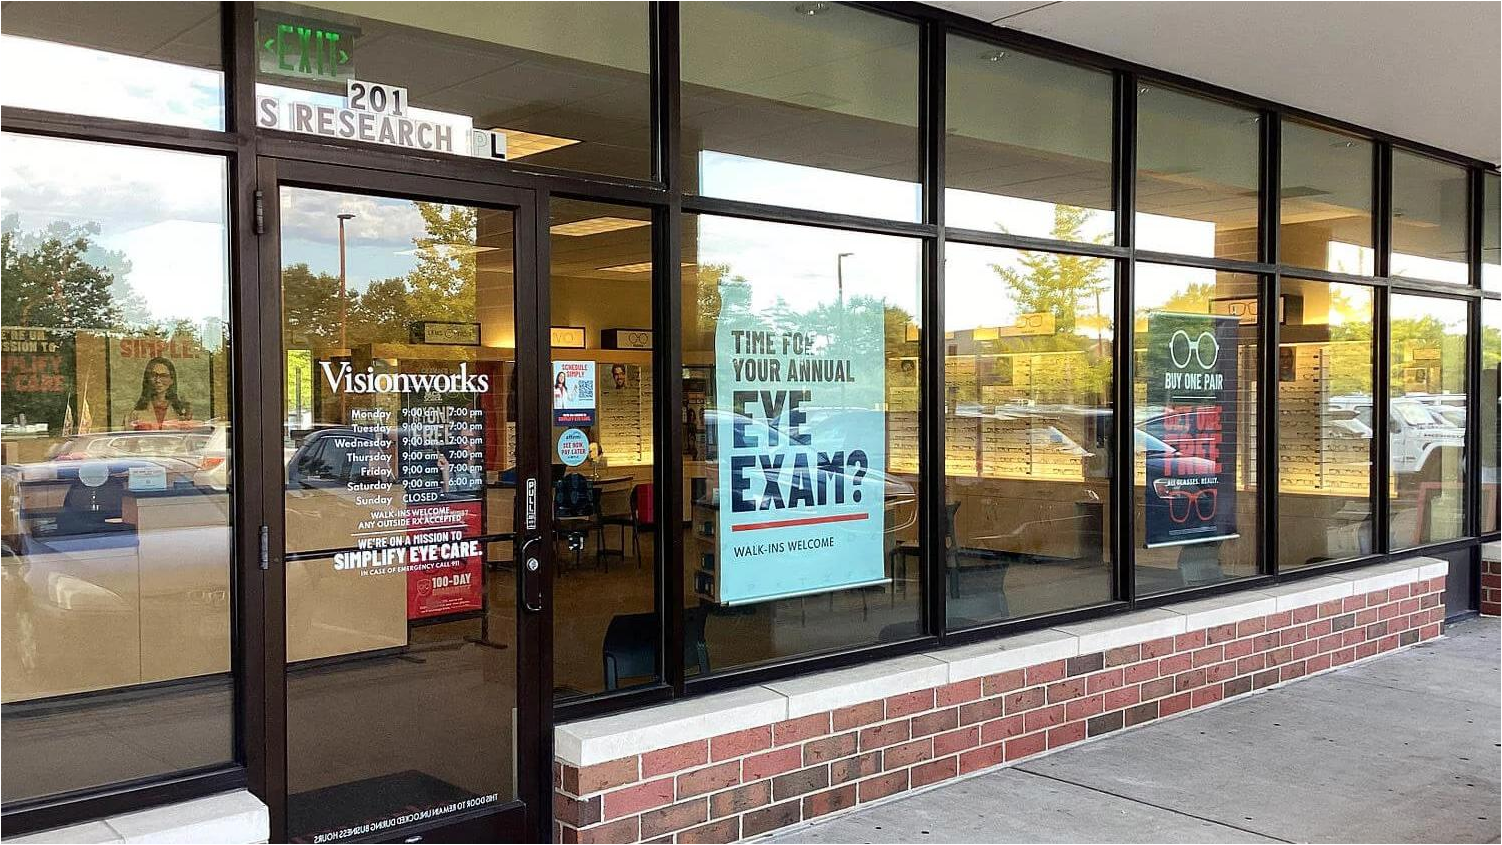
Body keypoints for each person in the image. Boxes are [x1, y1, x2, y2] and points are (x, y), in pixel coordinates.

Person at [126, 356, 194, 430]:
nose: (158, 380)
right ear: (148, 379)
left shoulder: (182, 411)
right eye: (154, 375)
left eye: (163, 376)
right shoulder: (136, 412)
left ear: (171, 380)